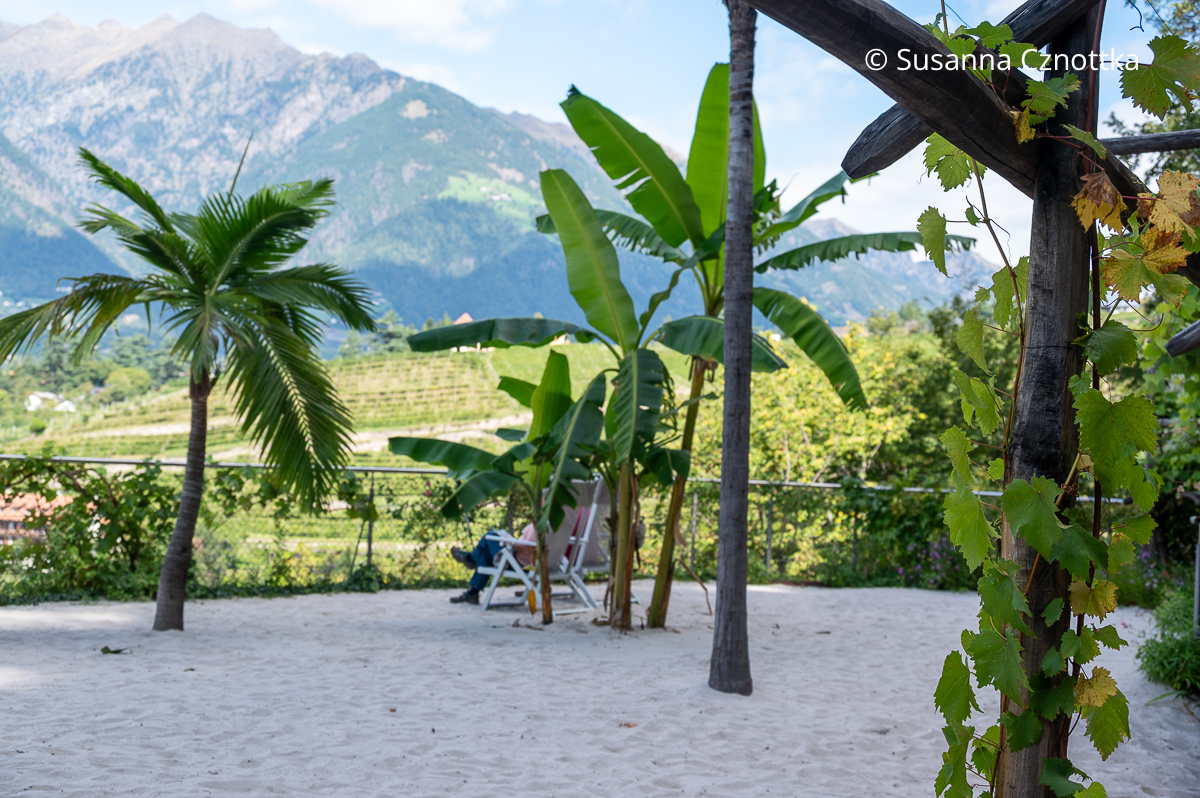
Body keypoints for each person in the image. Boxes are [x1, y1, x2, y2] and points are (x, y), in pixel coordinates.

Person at [448, 523, 537, 604]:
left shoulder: (537, 526)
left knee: (489, 535)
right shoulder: (548, 525)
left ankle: (470, 558)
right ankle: (472, 594)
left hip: (518, 564)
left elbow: (528, 549)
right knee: (486, 554)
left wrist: (512, 544)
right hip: (525, 563)